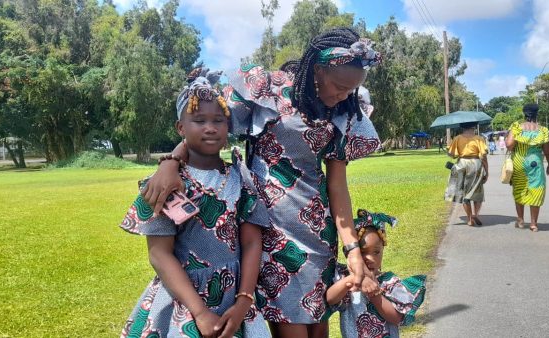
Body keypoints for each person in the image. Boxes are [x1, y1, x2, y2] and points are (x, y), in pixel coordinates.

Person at [140, 28, 383, 337]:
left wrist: (350, 247)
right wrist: (172, 161)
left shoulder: (344, 113)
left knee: (319, 329)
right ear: (318, 70)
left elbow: (337, 185)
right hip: (271, 229)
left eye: (351, 91)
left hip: (319, 231)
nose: (343, 96)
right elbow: (208, 123)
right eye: (339, 86)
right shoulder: (268, 90)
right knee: (291, 327)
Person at [118, 69, 270, 338]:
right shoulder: (167, 184)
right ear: (180, 128)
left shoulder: (241, 178)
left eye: (219, 120)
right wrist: (199, 312)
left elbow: (251, 241)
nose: (210, 128)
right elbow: (159, 254)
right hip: (184, 300)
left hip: (234, 298)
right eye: (199, 120)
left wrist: (244, 300)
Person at [326, 210, 426, 338]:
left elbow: (397, 318)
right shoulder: (346, 280)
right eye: (362, 252)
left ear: (383, 250)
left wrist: (375, 295)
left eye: (376, 252)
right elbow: (330, 299)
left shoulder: (388, 282)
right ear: (352, 254)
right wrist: (351, 279)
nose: (370, 258)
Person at [506, 104, 549, 232]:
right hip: (535, 163)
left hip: (519, 162)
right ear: (537, 114)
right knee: (536, 189)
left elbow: (509, 145)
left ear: (524, 114)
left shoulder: (516, 128)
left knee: (519, 189)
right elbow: (547, 151)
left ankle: (520, 220)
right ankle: (533, 224)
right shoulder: (543, 130)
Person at [444, 122, 489, 226]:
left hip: (461, 164)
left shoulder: (457, 138)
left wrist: (449, 148)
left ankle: (469, 219)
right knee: (477, 190)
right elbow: (484, 157)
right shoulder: (479, 139)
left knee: (463, 193)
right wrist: (487, 171)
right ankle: (475, 215)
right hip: (475, 164)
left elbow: (452, 155)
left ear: (462, 127)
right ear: (473, 127)